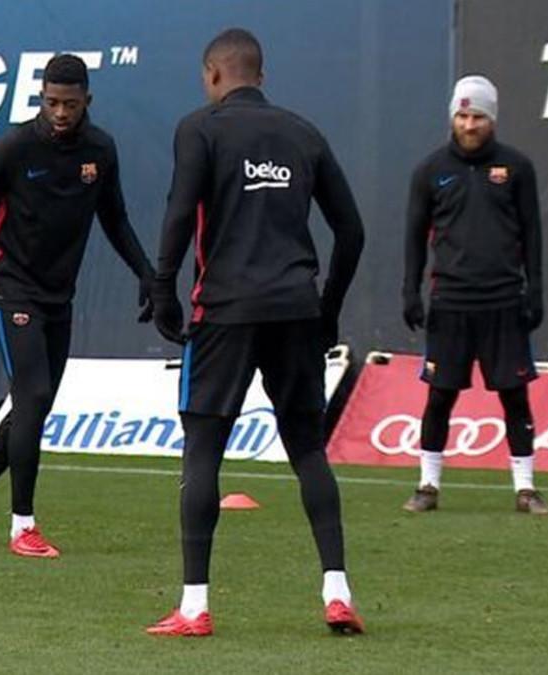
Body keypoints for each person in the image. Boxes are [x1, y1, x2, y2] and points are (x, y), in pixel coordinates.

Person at [146, 28, 366, 636]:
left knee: (203, 450)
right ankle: (337, 591)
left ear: (212, 76)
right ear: (261, 77)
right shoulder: (304, 133)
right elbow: (352, 232)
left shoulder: (200, 128)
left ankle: (194, 607)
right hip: (296, 310)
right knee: (308, 450)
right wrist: (328, 308)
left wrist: (163, 291)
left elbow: (177, 214)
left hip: (226, 311)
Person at [0, 54, 154, 558]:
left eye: (70, 104)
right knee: (31, 396)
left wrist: (148, 275)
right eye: (52, 102)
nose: (60, 112)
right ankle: (23, 527)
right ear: (40, 97)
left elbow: (116, 219)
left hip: (60, 293)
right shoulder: (16, 146)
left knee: (35, 406)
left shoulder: (100, 149)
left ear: (87, 102)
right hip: (12, 286)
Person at [401, 75, 548, 516]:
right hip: (449, 302)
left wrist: (536, 290)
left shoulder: (518, 168)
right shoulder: (430, 171)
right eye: (462, 116)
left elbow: (533, 234)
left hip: (505, 301)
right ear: (453, 117)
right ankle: (428, 486)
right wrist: (410, 291)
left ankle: (525, 490)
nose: (469, 125)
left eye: (479, 117)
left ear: (493, 120)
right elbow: (413, 237)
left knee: (514, 396)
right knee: (440, 396)